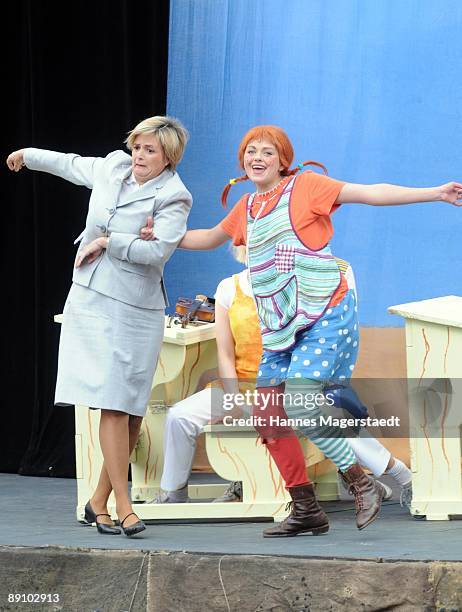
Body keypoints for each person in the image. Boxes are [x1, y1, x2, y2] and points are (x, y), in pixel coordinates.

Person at [146, 124, 461, 535]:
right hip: (281, 326)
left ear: (283, 161)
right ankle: (306, 508)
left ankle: (361, 482)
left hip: (324, 315)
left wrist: (433, 193)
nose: (257, 157)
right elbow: (207, 237)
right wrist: (162, 234)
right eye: (250, 151)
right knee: (268, 411)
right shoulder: (247, 207)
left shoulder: (307, 187)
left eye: (267, 152)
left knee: (299, 403)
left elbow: (371, 191)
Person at [6, 116, 192, 536]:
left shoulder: (175, 196)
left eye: (150, 151)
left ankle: (97, 501)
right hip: (94, 296)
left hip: (139, 305)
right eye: (137, 147)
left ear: (168, 158)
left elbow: (158, 251)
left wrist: (110, 241)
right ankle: (123, 508)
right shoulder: (113, 167)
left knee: (132, 411)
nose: (139, 156)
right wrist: (28, 155)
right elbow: (71, 164)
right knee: (112, 401)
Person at [141, 244, 411, 525]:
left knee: (328, 417)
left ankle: (396, 475)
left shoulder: (291, 284)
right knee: (179, 415)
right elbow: (225, 352)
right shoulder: (229, 288)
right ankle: (173, 492)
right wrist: (233, 397)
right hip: (241, 388)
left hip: (285, 386)